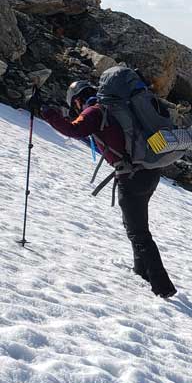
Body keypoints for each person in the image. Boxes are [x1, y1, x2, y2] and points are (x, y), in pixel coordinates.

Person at [39, 81, 177, 298]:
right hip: (150, 172)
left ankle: (163, 287)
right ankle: (141, 271)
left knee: (138, 232)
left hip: (131, 176)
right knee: (135, 225)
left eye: (76, 106)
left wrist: (47, 113)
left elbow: (73, 129)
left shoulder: (94, 112)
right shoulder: (116, 107)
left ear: (77, 99)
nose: (77, 110)